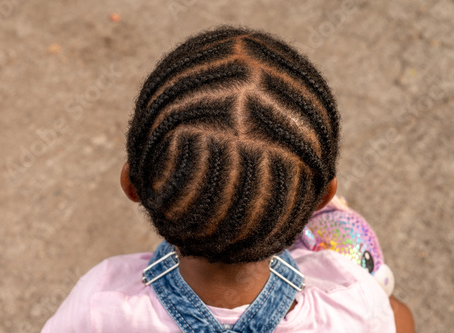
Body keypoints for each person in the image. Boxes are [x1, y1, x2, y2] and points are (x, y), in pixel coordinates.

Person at [42, 26, 414, 332]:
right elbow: (401, 323)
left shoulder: (101, 302)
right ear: (322, 200)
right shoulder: (349, 300)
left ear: (132, 185)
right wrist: (378, 285)